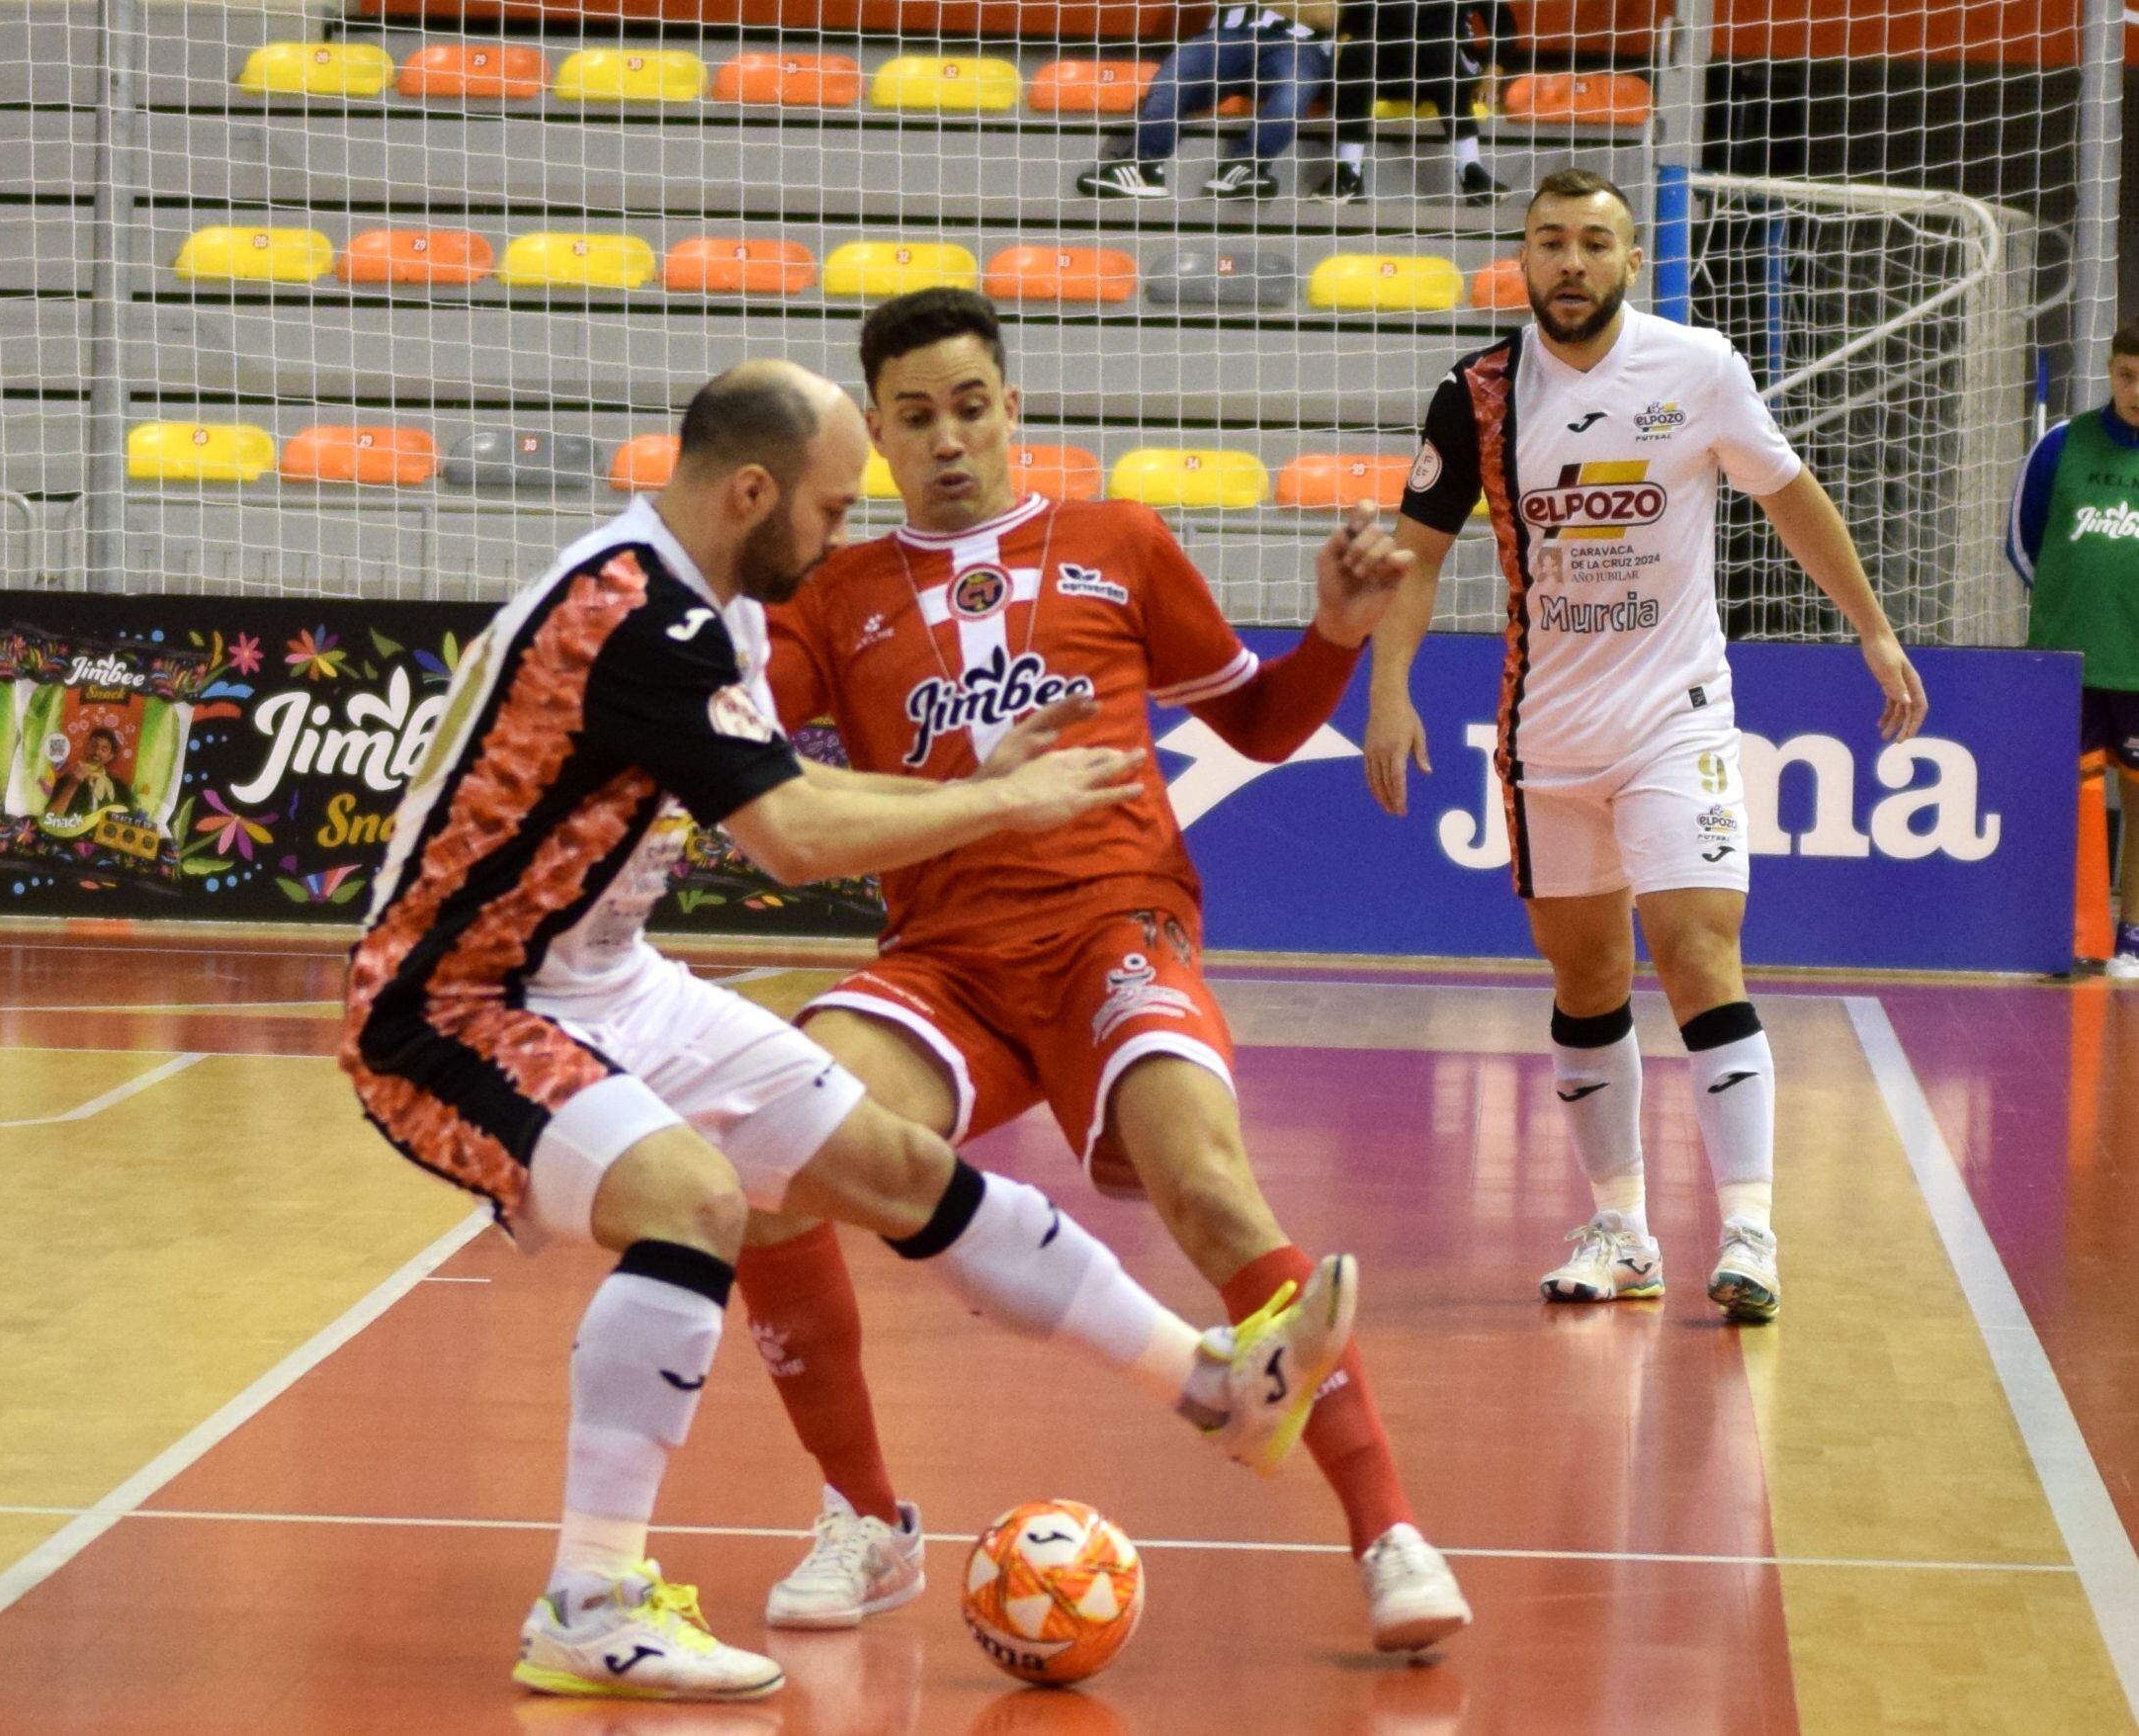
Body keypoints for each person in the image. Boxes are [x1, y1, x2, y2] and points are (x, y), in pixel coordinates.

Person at [338, 360, 1359, 1703]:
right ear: (750, 491)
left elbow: (795, 786)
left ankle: (1216, 1388)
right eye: (826, 509)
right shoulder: (632, 614)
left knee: (893, 1167)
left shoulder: (716, 611)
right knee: (692, 1200)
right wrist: (1010, 805)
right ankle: (586, 1601)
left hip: (603, 973)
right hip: (457, 1001)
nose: (834, 535)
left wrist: (972, 781)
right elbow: (793, 842)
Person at [732, 289, 1473, 1655]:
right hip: (941, 963)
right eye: (914, 416)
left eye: (969, 405)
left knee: (1202, 1186)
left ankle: (1387, 1533)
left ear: (1011, 409)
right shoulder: (833, 596)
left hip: (1113, 929)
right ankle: (864, 1516)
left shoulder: (1118, 541)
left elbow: (1250, 725)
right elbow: (744, 752)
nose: (948, 437)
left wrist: (1335, 632)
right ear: (879, 439)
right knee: (764, 1153)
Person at [1361, 169, 1927, 1323]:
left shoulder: (1699, 367)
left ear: (1630, 260)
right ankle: (1623, 1225)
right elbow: (1415, 555)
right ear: (1522, 256)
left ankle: (1751, 1231)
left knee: (1695, 947)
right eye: (1550, 241)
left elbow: (1791, 495)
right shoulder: (1474, 394)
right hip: (1547, 735)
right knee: (1586, 975)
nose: (1570, 262)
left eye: (1594, 243)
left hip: (1677, 714)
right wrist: (1389, 690)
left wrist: (1870, 629)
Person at [2007, 317, 2139, 979]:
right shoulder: (2062, 446)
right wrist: (2068, 612)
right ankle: (2078, 938)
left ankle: (2134, 935)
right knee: (2074, 797)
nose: (2136, 390)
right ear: (2111, 372)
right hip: (2070, 662)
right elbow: (2022, 542)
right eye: (2127, 376)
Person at [1074, 0, 1336, 202]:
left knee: (1295, 87)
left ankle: (1246, 166)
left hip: (1298, 43)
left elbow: (1329, 16)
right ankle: (1144, 166)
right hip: (1227, 34)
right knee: (1174, 77)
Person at [1321, 0, 1512, 206]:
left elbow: (1504, 24)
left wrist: (1494, 70)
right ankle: (1349, 172)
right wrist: (1346, 35)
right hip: (1394, 61)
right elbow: (1359, 12)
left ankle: (1472, 172)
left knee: (1439, 49)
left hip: (1448, 58)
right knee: (1356, 51)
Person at [47, 728, 130, 817]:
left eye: (103, 749)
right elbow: (51, 817)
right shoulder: (66, 779)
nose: (97, 752)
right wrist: (72, 784)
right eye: (94, 746)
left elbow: (128, 818)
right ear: (87, 747)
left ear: (110, 756)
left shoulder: (119, 787)